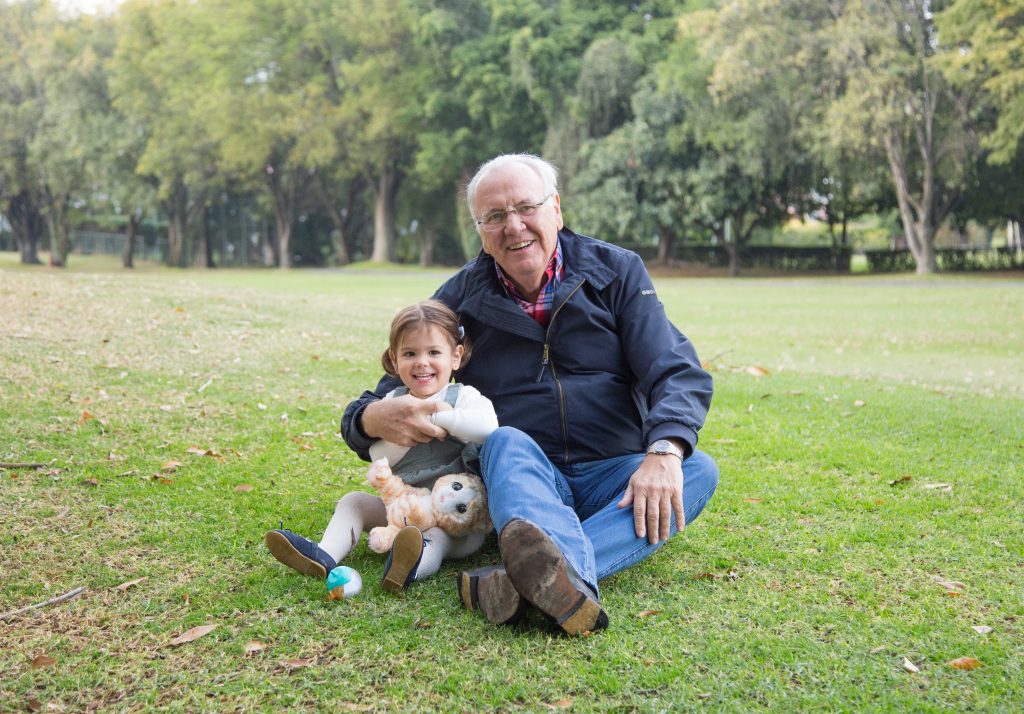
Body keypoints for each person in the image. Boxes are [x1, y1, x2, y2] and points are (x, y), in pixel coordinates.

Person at [342, 153, 718, 634]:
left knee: (697, 469)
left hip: (613, 473)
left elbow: (676, 370)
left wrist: (664, 451)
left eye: (526, 207)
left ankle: (523, 579)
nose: (514, 225)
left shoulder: (617, 272)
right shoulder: (459, 300)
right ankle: (553, 576)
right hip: (523, 481)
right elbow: (379, 398)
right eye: (495, 216)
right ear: (481, 232)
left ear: (555, 209)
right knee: (503, 441)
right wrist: (370, 419)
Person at [267, 300, 498, 592]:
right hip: (402, 505)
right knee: (354, 501)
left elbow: (488, 428)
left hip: (452, 520)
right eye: (410, 353)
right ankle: (324, 555)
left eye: (434, 352)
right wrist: (405, 427)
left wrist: (437, 417)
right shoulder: (392, 402)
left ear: (455, 357)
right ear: (394, 359)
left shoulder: (463, 397)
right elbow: (378, 453)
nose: (422, 362)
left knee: (435, 538)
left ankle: (408, 565)